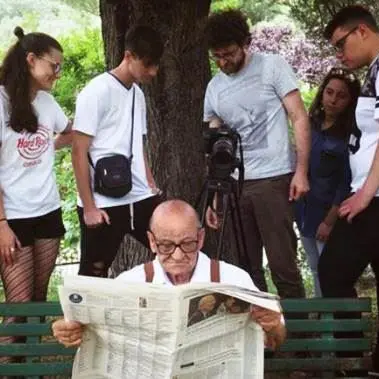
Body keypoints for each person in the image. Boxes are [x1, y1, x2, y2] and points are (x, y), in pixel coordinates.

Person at [53, 199, 286, 351]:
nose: (176, 256)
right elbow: (94, 333)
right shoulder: (129, 282)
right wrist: (72, 329)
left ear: (201, 238)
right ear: (152, 242)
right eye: (166, 245)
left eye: (187, 244)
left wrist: (274, 325)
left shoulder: (233, 278)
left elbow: (275, 341)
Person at [203, 9, 310, 299]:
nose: (223, 62)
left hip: (273, 179)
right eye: (217, 57)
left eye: (229, 54)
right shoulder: (214, 88)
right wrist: (216, 195)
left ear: (245, 43)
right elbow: (216, 146)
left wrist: (301, 171)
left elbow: (299, 117)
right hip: (235, 186)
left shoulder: (272, 67)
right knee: (246, 270)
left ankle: (297, 341)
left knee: (283, 265)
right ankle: (262, 338)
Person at [0, 26, 71, 358]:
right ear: (31, 60)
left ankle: (31, 368)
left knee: (39, 300)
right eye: (53, 66)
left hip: (48, 211)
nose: (57, 73)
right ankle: (8, 367)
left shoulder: (47, 102)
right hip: (12, 218)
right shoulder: (0, 102)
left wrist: (46, 150)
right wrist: (1, 224)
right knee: (18, 306)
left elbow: (70, 133)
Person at [72, 25, 164, 278]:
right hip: (102, 200)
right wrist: (89, 207)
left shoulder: (138, 94)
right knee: (94, 274)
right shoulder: (96, 91)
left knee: (171, 248)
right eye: (147, 64)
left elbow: (138, 145)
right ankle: (80, 318)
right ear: (129, 56)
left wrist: (151, 185)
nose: (153, 72)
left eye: (156, 65)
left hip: (139, 195)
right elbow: (78, 150)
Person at [319, 5, 379, 372]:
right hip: (368, 195)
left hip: (373, 199)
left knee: (333, 270)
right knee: (335, 271)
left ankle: (351, 361)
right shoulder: (374, 70)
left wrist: (366, 194)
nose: (340, 55)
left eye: (341, 44)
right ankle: (360, 360)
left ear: (361, 31)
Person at [295, 67, 360, 297]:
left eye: (341, 96)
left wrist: (330, 221)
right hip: (304, 210)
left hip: (329, 214)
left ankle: (334, 321)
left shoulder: (349, 134)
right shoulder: (309, 125)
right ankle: (321, 314)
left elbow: (346, 183)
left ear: (350, 101)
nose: (333, 100)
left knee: (331, 270)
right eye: (329, 92)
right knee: (314, 267)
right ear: (322, 93)